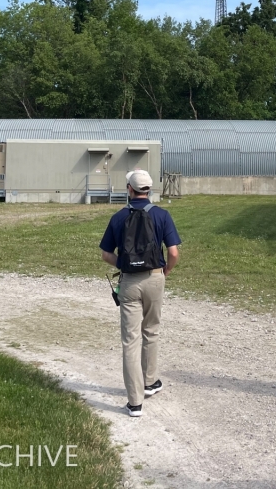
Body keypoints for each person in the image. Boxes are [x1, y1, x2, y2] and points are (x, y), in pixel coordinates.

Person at [100, 169, 181, 417]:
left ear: (130, 189)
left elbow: (105, 254)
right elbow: (174, 253)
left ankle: (135, 403)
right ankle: (150, 382)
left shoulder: (118, 217)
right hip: (155, 278)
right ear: (149, 189)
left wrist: (125, 264)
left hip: (129, 283)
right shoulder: (162, 215)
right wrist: (166, 270)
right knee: (151, 331)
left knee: (130, 340)